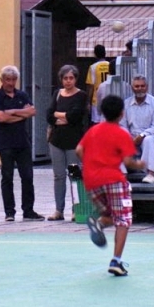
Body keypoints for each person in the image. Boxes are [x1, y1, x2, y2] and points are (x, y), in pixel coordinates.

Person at [76, 94, 145, 277]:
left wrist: (90, 165)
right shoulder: (122, 133)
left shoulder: (93, 130)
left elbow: (79, 150)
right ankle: (116, 261)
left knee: (110, 215)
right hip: (113, 179)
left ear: (102, 112)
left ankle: (99, 223)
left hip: (91, 181)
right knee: (123, 219)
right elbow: (128, 161)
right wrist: (140, 165)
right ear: (122, 113)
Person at [0, 65, 42, 222]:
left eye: (13, 80)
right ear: (2, 80)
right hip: (5, 143)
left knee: (27, 177)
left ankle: (28, 210)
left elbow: (32, 111)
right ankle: (9, 212)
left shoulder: (22, 95)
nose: (11, 83)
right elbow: (1, 118)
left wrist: (12, 112)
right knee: (7, 177)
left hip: (22, 142)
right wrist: (22, 114)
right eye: (8, 80)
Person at [45, 64, 88, 221]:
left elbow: (75, 116)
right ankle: (59, 210)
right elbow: (49, 115)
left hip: (74, 141)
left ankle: (76, 209)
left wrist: (59, 115)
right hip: (56, 140)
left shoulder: (81, 95)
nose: (68, 81)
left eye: (71, 78)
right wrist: (63, 117)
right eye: (65, 78)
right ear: (61, 79)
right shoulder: (57, 93)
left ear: (75, 79)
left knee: (74, 176)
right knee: (58, 176)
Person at [123, 75, 154, 184]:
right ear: (132, 88)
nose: (140, 89)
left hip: (153, 136)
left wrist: (142, 136)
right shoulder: (126, 104)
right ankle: (122, 177)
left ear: (147, 87)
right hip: (131, 137)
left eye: (142, 86)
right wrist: (129, 138)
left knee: (148, 140)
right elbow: (123, 126)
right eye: (137, 86)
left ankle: (151, 174)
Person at [87, 44, 111, 123]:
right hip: (109, 97)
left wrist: (88, 102)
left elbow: (91, 86)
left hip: (97, 100)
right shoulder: (110, 65)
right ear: (105, 53)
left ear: (95, 54)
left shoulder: (93, 67)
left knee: (97, 123)